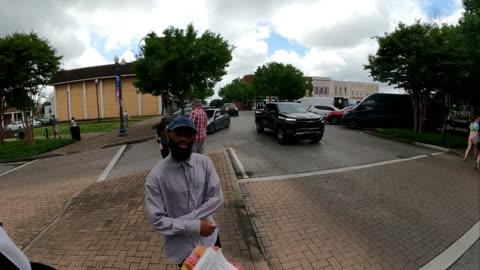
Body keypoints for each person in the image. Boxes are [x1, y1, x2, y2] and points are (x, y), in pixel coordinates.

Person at [144, 116, 223, 267]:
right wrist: (194, 225)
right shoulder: (156, 177)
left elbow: (217, 198)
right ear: (168, 134)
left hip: (210, 239)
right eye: (179, 133)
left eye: (188, 134)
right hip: (183, 251)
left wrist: (191, 220)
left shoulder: (205, 163)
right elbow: (157, 221)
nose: (184, 138)